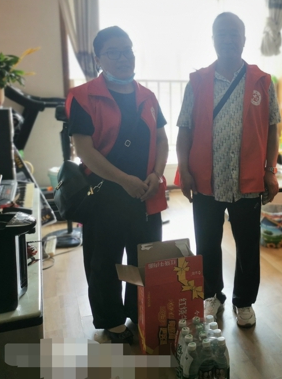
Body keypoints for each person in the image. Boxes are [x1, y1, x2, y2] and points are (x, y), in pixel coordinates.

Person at [176, 12, 280, 328]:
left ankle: (243, 301)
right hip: (206, 178)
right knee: (207, 242)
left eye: (234, 33)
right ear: (213, 39)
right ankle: (212, 295)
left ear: (244, 39)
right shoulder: (197, 81)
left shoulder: (262, 81)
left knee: (247, 245)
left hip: (247, 180)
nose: (228, 39)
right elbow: (184, 128)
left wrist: (270, 170)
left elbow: (272, 128)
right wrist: (184, 169)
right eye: (222, 33)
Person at [66, 26, 168, 344]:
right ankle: (111, 319)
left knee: (144, 258)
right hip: (105, 194)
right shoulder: (83, 97)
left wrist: (157, 174)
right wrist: (124, 180)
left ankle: (139, 310)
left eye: (128, 50)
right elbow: (84, 151)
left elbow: (162, 140)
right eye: (114, 52)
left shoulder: (147, 97)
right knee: (105, 260)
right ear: (98, 58)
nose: (124, 58)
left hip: (146, 194)